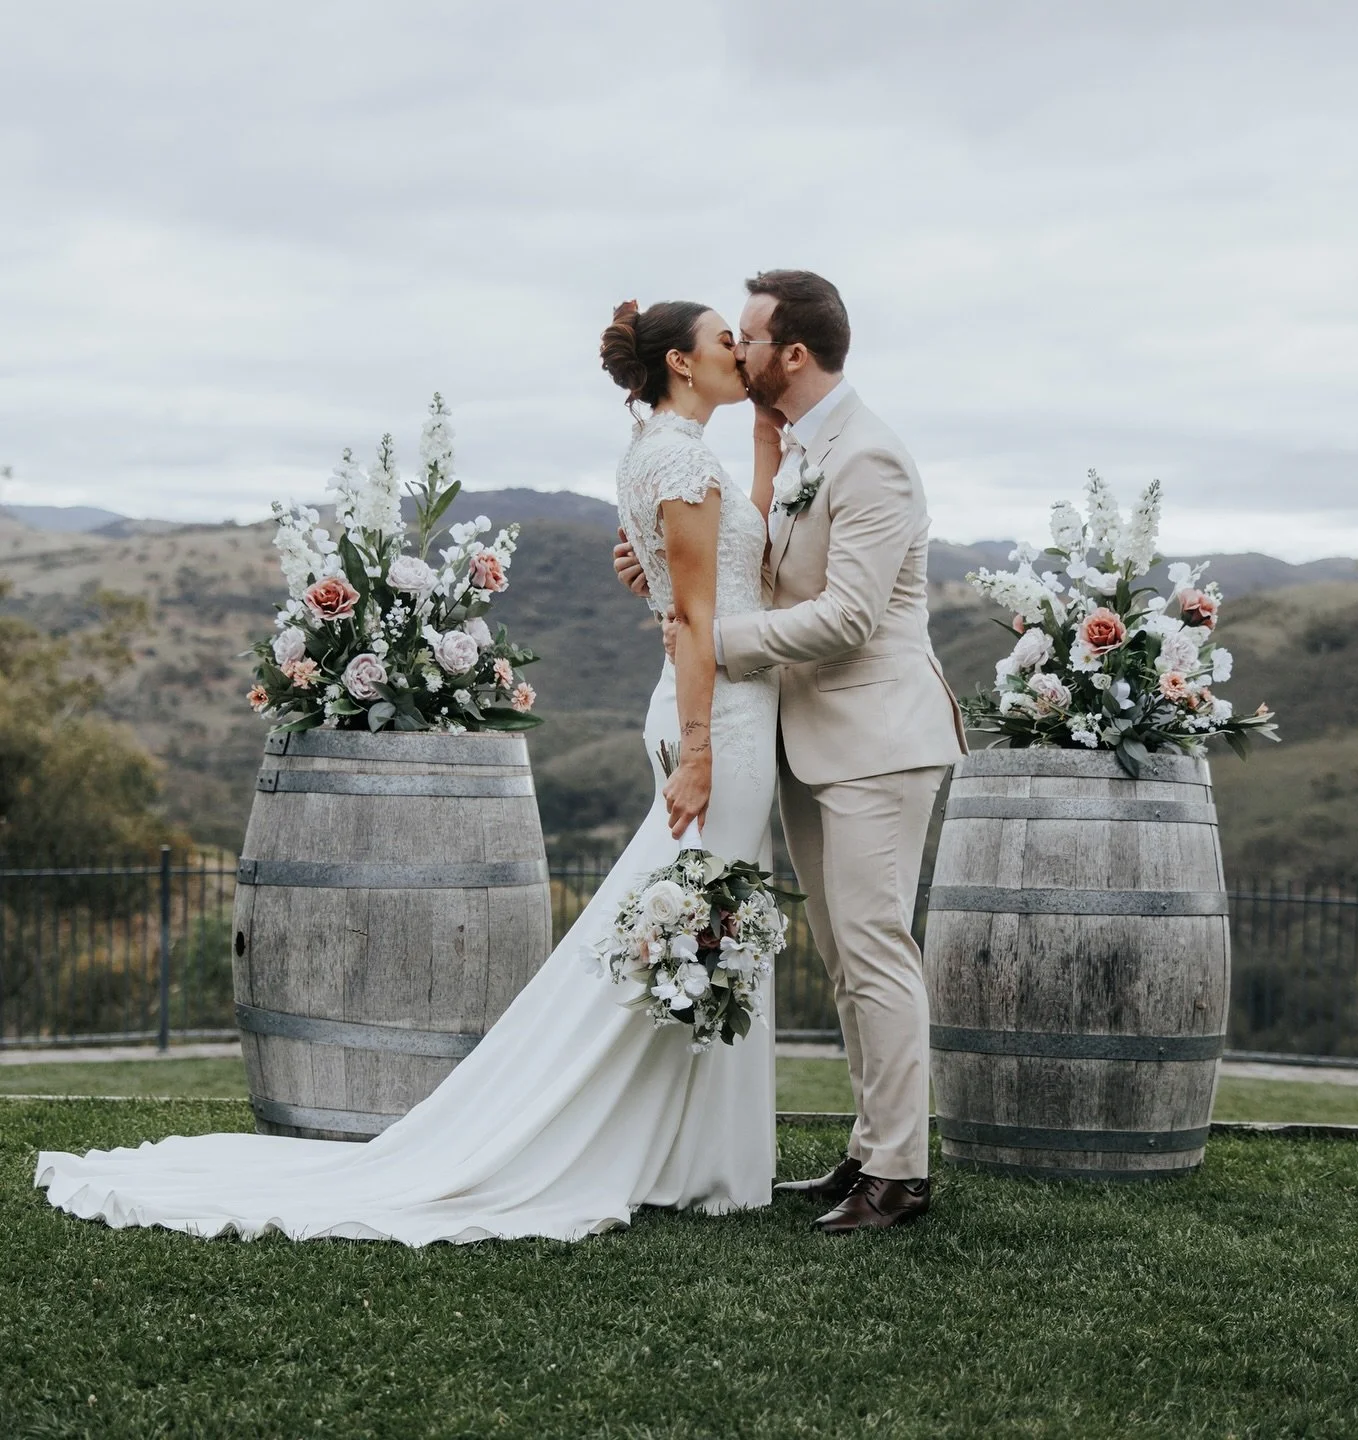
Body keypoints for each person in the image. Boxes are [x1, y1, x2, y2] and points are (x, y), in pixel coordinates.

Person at [34, 299, 780, 1245]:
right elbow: (703, 614)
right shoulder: (676, 459)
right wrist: (704, 748)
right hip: (719, 717)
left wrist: (754, 444)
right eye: (725, 340)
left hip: (711, 701)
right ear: (680, 362)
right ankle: (673, 1155)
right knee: (693, 914)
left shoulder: (662, 453)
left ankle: (698, 1152)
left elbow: (683, 589)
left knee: (699, 916)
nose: (737, 352)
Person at [615, 270, 965, 1234]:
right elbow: (763, 568)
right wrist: (667, 562)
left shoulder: (870, 460)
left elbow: (850, 617)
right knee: (844, 954)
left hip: (876, 737)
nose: (741, 352)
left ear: (791, 355)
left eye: (751, 338)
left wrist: (716, 641)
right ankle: (867, 1151)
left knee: (875, 951)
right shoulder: (804, 444)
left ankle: (900, 1174)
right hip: (812, 737)